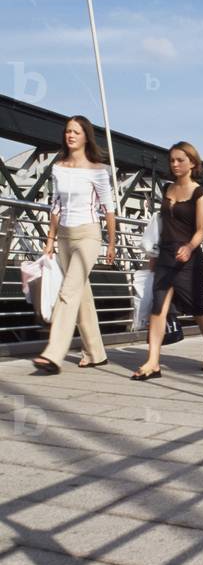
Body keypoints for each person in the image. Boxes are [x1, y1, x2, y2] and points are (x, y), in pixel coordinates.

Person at [32, 115, 116, 374]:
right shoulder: (58, 167)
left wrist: (112, 243)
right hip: (65, 238)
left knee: (68, 292)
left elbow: (109, 209)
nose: (70, 135)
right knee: (82, 297)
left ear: (85, 137)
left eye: (76, 132)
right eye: (68, 131)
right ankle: (96, 353)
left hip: (89, 235)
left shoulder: (98, 170)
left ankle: (53, 354)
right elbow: (55, 205)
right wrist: (50, 239)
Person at [132, 141, 203, 380]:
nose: (175, 164)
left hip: (189, 259)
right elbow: (162, 226)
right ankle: (153, 361)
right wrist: (153, 254)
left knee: (196, 308)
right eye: (172, 160)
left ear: (192, 162)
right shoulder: (167, 189)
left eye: (180, 160)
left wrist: (190, 247)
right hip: (165, 256)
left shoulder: (200, 194)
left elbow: (201, 229)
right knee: (158, 308)